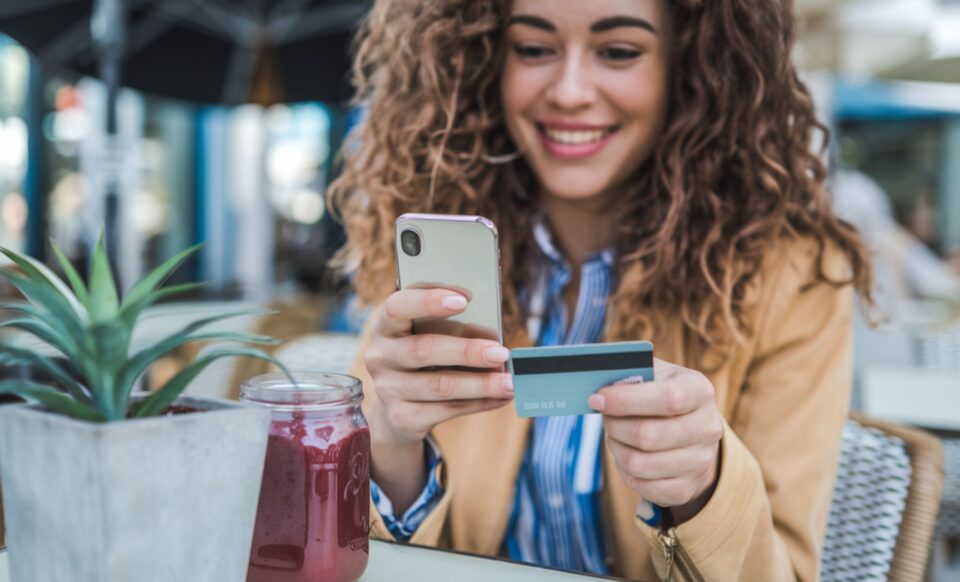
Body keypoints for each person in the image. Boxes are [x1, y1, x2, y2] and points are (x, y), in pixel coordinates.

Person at [329, 0, 873, 579]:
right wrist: (388, 446)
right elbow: (348, 552)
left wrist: (704, 487)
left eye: (618, 51)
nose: (568, 91)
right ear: (484, 61)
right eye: (534, 49)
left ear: (694, 68)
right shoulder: (441, 242)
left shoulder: (796, 279)